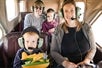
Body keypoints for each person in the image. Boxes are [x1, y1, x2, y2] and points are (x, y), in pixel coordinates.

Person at [50, 0, 96, 68]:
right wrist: (64, 63)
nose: (69, 14)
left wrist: (87, 60)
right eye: (66, 11)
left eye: (72, 10)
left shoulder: (87, 27)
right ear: (62, 13)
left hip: (85, 64)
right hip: (65, 65)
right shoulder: (57, 30)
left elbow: (93, 48)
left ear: (77, 12)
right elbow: (53, 51)